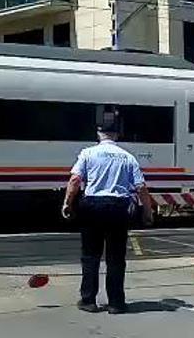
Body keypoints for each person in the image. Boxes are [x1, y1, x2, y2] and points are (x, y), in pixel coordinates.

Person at [62, 121, 153, 314]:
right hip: (119, 209)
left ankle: (88, 300)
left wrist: (67, 203)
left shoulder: (87, 153)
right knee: (116, 258)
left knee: (90, 256)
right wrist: (147, 211)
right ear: (117, 135)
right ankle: (116, 303)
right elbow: (141, 187)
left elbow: (75, 180)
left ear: (99, 134)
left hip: (92, 206)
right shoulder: (128, 157)